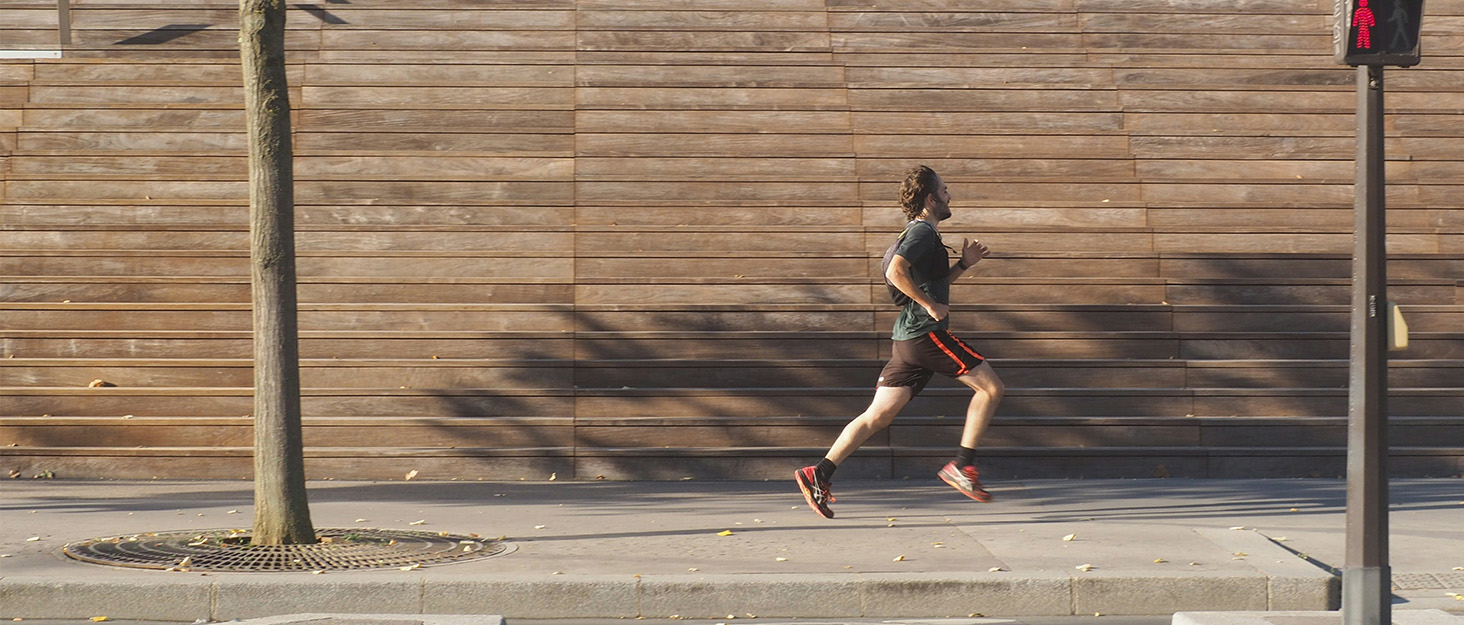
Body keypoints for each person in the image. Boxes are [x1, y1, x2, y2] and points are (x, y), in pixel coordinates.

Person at [795, 165, 1005, 519]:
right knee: (991, 389)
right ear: (930, 198)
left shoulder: (922, 233)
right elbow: (896, 271)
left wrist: (963, 266)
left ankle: (819, 473)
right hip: (925, 334)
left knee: (877, 415)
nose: (949, 195)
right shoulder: (922, 232)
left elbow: (931, 283)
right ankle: (962, 466)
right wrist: (930, 306)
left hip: (907, 340)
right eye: (944, 190)